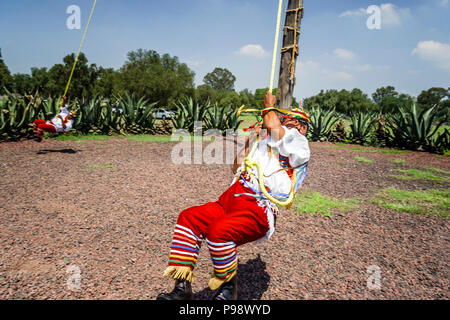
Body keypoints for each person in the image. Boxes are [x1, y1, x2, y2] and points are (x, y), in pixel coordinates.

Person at [157, 91, 310, 300]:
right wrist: (250, 142)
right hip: (230, 199)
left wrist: (268, 105)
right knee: (189, 218)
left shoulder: (299, 143)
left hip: (257, 206)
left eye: (292, 121)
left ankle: (229, 290)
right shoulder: (268, 140)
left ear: (303, 128)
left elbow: (274, 126)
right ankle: (182, 288)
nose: (287, 122)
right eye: (285, 119)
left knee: (219, 232)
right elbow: (237, 167)